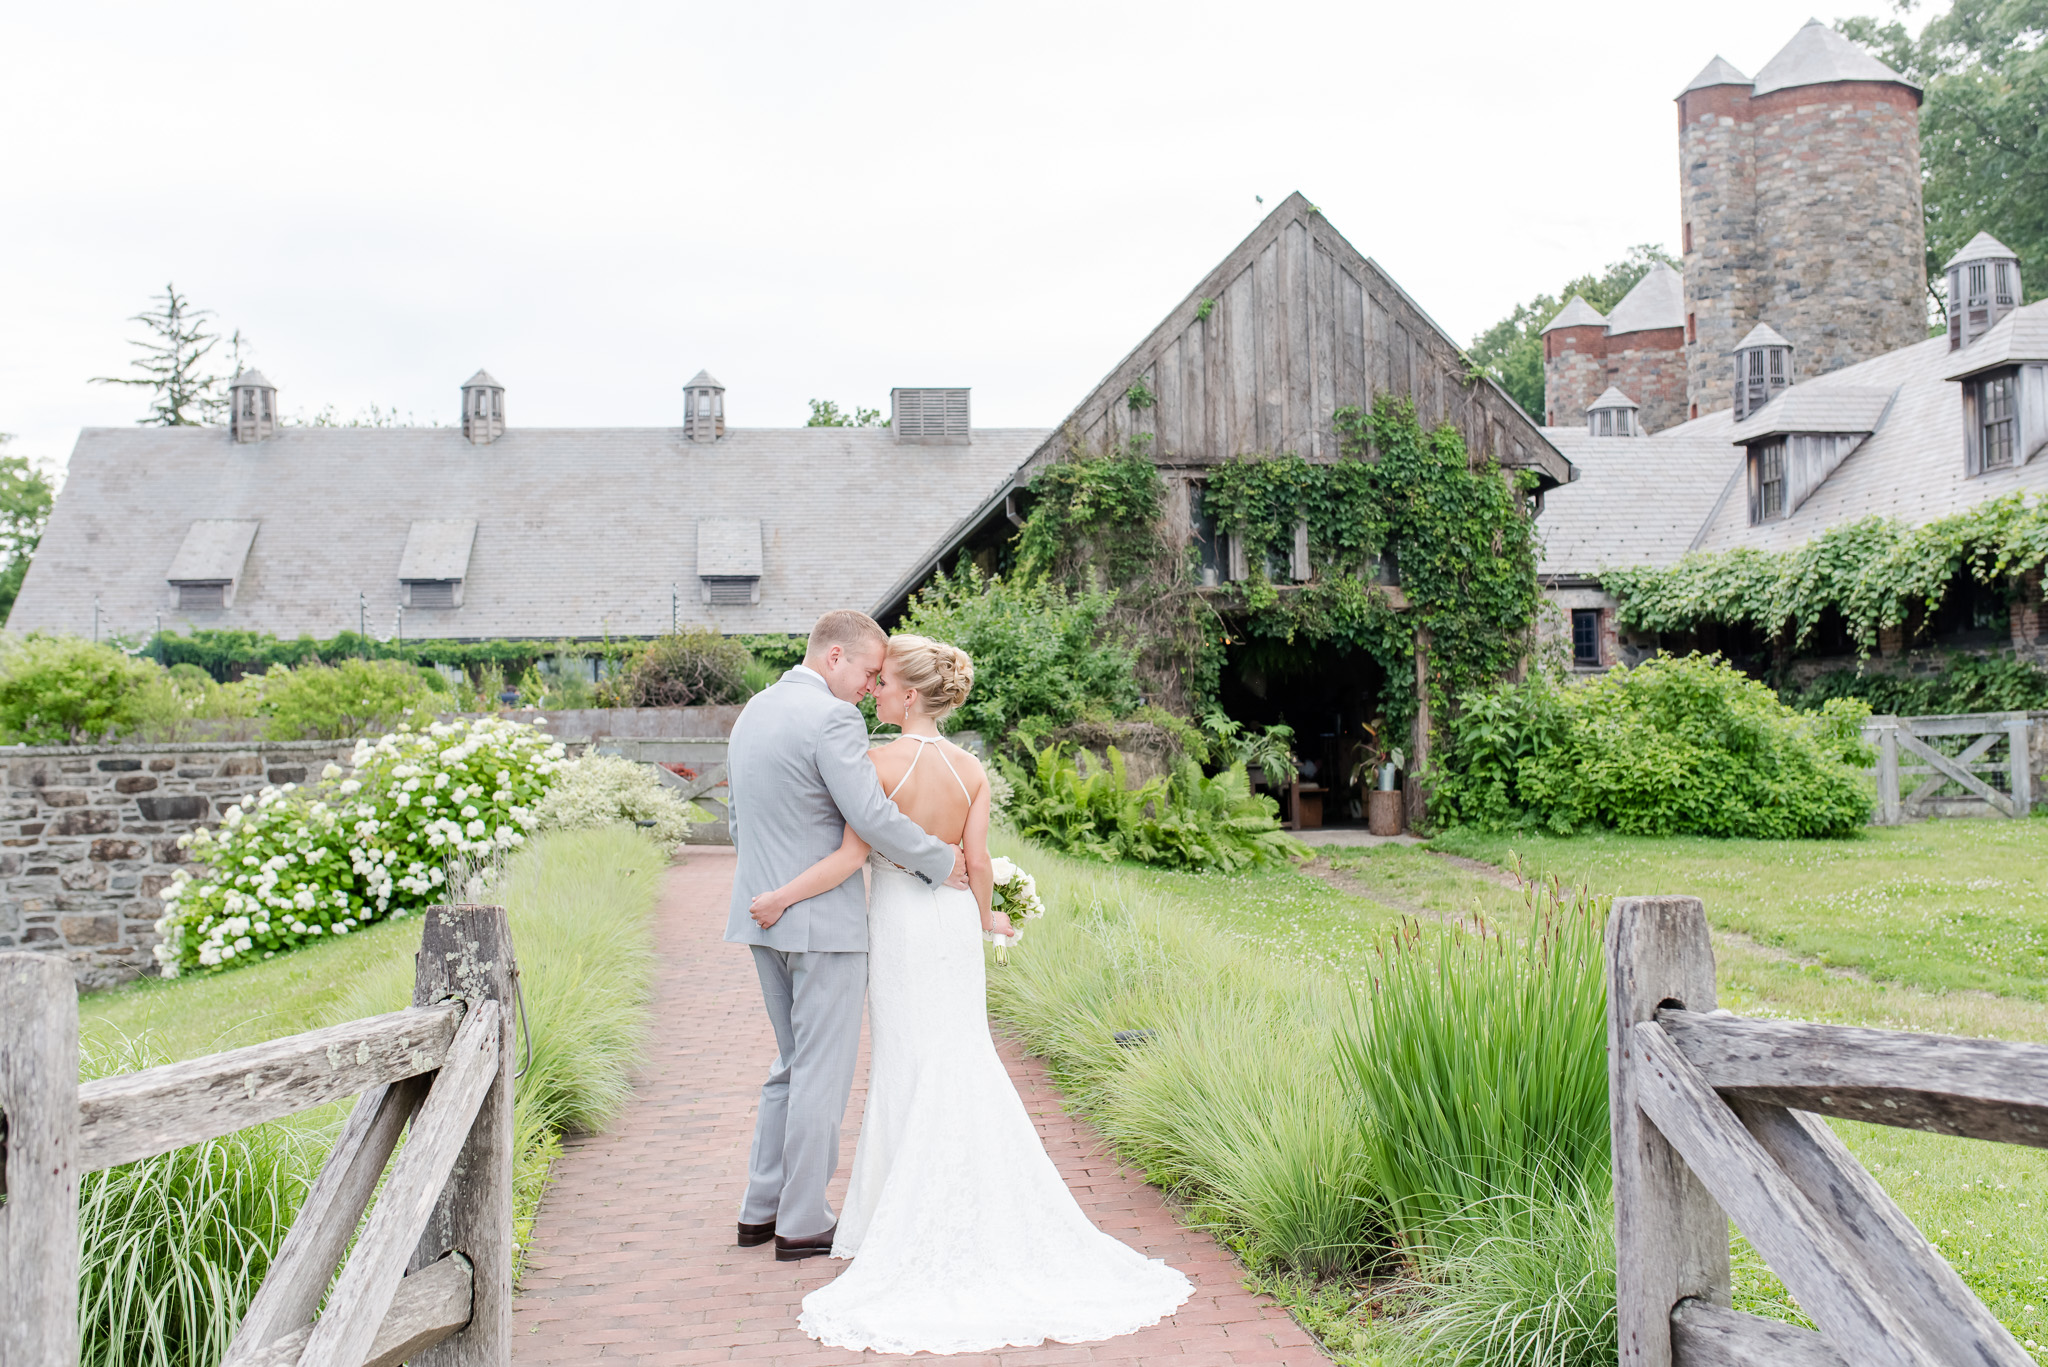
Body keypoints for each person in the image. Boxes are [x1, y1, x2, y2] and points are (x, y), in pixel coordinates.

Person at [747, 633, 1193, 1355]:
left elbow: (848, 858)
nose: (876, 692)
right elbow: (977, 862)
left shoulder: (874, 761)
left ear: (912, 695)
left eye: (886, 682)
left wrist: (780, 896)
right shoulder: (970, 769)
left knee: (904, 1064)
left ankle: (894, 1215)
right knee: (963, 1052)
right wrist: (988, 916)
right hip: (953, 931)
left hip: (896, 925)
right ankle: (977, 1205)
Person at [724, 610, 970, 1263]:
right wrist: (943, 861)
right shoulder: (832, 719)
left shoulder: (753, 710)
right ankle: (802, 1220)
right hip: (822, 924)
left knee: (789, 1064)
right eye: (866, 671)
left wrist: (770, 890)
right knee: (821, 1074)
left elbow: (735, 818)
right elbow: (869, 814)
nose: (869, 686)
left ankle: (760, 1206)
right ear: (834, 656)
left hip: (759, 914)